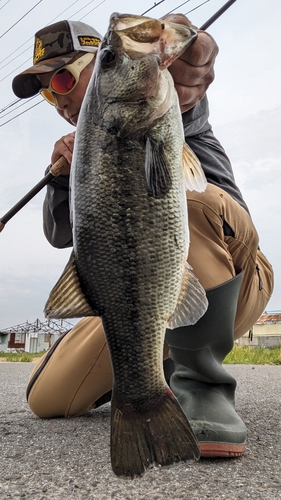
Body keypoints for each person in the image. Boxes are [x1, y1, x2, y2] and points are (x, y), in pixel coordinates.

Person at [12, 15, 273, 459]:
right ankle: (151, 368)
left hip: (236, 275)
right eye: (45, 91)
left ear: (99, 65)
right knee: (48, 399)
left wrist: (187, 47)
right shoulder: (80, 153)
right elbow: (62, 238)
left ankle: (203, 386)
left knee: (178, 197)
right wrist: (60, 179)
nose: (56, 99)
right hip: (144, 294)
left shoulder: (163, 96)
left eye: (62, 77)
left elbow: (195, 64)